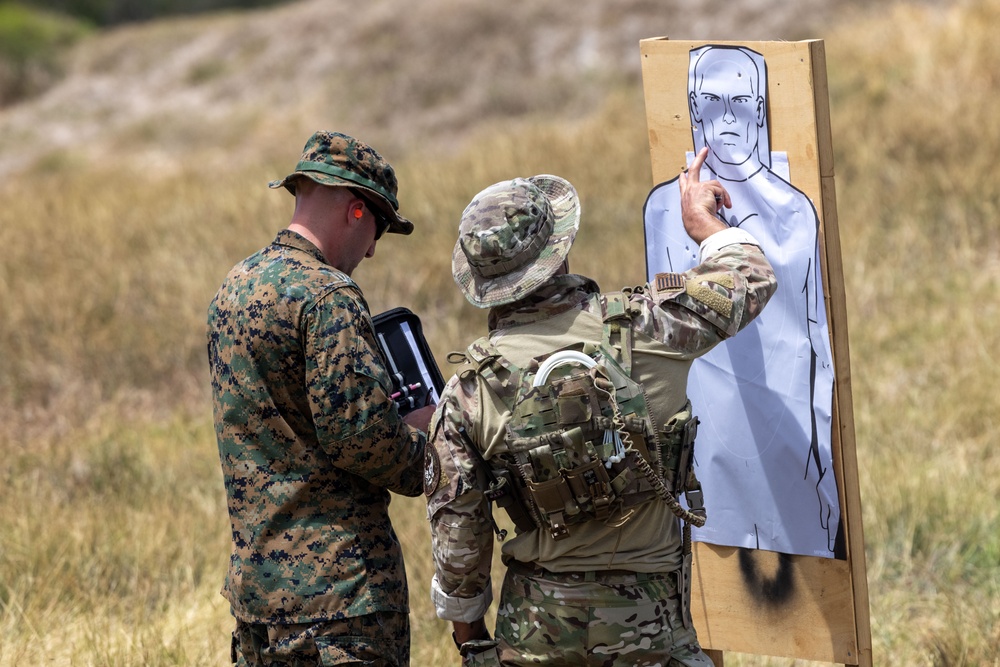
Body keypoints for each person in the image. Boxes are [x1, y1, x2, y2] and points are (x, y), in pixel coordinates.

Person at [425, 146, 778, 665]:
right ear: (559, 250)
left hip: (534, 633)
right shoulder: (647, 326)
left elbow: (460, 547)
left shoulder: (466, 394)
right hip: (652, 628)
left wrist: (473, 641)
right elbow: (751, 277)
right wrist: (703, 223)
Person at [207, 130, 435, 666]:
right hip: (340, 598)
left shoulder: (234, 287)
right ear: (357, 212)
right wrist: (434, 454)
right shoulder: (329, 295)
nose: (374, 248)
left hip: (259, 596)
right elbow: (362, 439)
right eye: (378, 229)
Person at [644, 44, 839, 557]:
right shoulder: (665, 209)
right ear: (690, 106)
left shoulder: (795, 211)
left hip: (789, 434)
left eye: (741, 103)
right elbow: (667, 320)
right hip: (706, 443)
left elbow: (815, 342)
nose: (726, 118)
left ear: (760, 110)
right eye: (710, 102)